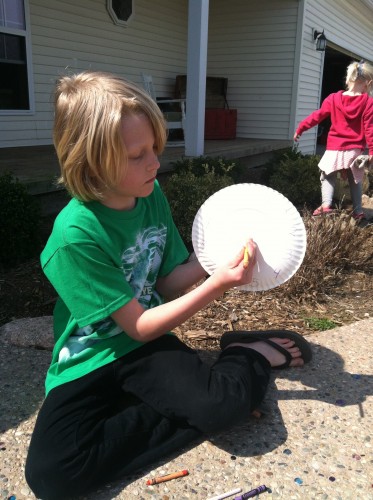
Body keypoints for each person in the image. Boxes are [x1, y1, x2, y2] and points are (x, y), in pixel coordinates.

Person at [25, 71, 312, 500]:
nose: (155, 163)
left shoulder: (149, 194)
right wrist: (217, 284)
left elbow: (166, 280)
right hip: (92, 353)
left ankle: (247, 356)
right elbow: (137, 325)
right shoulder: (74, 236)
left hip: (145, 347)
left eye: (155, 147)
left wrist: (217, 260)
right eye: (137, 154)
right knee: (52, 476)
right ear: (90, 162)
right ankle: (198, 395)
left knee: (219, 407)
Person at [294, 59, 373, 220]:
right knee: (355, 179)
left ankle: (326, 205)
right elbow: (369, 128)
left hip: (334, 148)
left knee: (327, 174)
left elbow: (317, 116)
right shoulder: (368, 102)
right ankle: (358, 211)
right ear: (368, 83)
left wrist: (301, 127)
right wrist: (372, 150)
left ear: (348, 79)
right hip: (354, 150)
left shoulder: (333, 98)